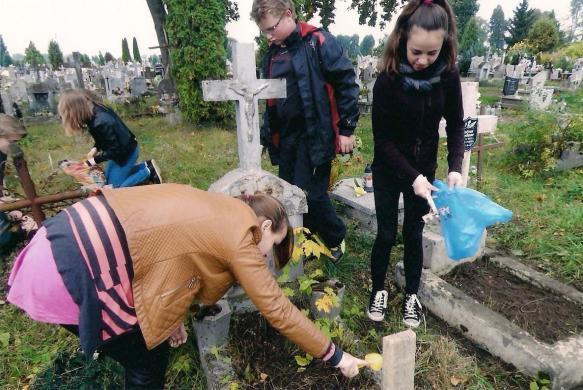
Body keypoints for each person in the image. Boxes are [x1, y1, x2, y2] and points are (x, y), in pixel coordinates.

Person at [7, 184, 367, 387]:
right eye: (272, 244)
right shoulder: (241, 232)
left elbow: (169, 259)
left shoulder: (216, 210)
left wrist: (170, 318)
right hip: (77, 271)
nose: (264, 257)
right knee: (146, 361)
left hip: (59, 241)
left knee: (147, 345)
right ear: (265, 224)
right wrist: (336, 355)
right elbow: (277, 310)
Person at [367, 0, 464, 327]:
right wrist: (412, 177)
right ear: (402, 40)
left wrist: (454, 165)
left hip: (425, 171)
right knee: (386, 233)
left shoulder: (449, 77)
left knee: (413, 232)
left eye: (431, 53)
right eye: (416, 52)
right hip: (389, 169)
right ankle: (378, 288)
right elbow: (382, 140)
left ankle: (411, 294)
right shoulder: (387, 80)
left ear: (444, 45)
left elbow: (455, 123)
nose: (423, 60)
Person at [252, 0, 360, 262]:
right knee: (287, 192)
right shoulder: (273, 54)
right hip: (287, 138)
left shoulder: (318, 42)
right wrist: (268, 136)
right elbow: (271, 101)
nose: (268, 36)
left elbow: (346, 82)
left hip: (316, 135)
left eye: (271, 29)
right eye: (264, 31)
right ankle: (307, 243)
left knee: (311, 193)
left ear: (288, 15)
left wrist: (346, 129)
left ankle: (336, 239)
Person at [57, 89, 162, 188]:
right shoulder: (94, 111)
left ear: (75, 110)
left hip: (126, 153)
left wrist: (91, 162)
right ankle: (146, 165)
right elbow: (104, 138)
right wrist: (95, 148)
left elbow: (114, 150)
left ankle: (148, 171)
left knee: (114, 187)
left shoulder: (100, 121)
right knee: (107, 179)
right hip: (123, 150)